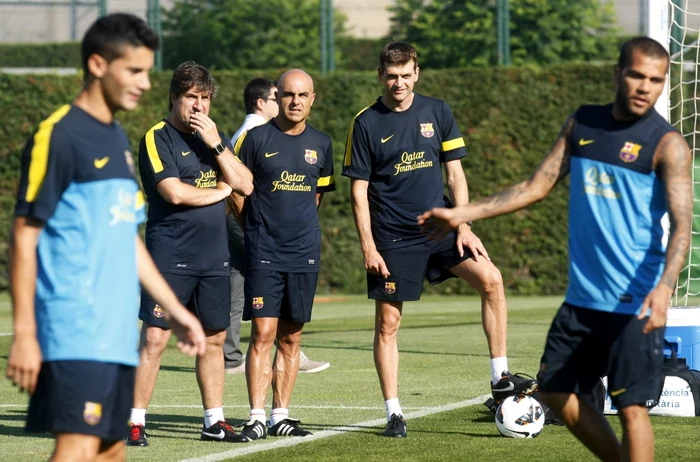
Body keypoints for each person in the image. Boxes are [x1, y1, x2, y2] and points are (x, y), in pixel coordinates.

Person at [418, 36, 690, 461]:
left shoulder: (668, 144)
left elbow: (681, 226)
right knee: (556, 389)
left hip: (636, 299)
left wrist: (665, 287)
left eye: (656, 80)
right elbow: (534, 186)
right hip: (583, 299)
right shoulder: (582, 124)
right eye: (637, 75)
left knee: (632, 408)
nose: (644, 87)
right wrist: (461, 213)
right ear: (618, 73)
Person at [5, 13, 207, 462]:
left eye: (147, 72)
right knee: (76, 450)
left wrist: (175, 311)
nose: (145, 84)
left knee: (111, 451)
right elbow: (23, 237)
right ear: (98, 65)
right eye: (133, 71)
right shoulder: (58, 135)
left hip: (115, 334)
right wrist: (24, 334)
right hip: (75, 329)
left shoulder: (116, 137)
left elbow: (126, 237)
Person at [341, 41, 536, 438]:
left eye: (406, 75)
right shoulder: (365, 123)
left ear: (417, 73)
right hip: (393, 239)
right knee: (388, 324)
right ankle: (394, 413)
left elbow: (456, 175)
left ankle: (500, 379)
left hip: (442, 231)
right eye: (392, 76)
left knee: (492, 280)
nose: (399, 83)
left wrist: (463, 225)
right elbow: (358, 192)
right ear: (380, 76)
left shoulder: (438, 111)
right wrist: (368, 246)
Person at [126, 62, 254, 446]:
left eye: (204, 99)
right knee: (154, 338)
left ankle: (213, 421)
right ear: (174, 98)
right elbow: (175, 193)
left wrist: (217, 145)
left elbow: (244, 183)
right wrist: (219, 191)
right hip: (170, 257)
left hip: (215, 257)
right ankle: (134, 421)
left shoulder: (214, 138)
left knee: (214, 340)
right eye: (190, 98)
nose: (198, 107)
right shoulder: (157, 137)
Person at [231, 69, 335, 440]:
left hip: (304, 253)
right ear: (277, 97)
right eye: (288, 95)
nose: (295, 101)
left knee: (292, 338)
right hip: (264, 252)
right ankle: (256, 415)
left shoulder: (321, 144)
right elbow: (235, 190)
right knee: (263, 332)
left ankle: (280, 416)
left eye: (302, 95)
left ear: (312, 99)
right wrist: (256, 228)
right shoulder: (255, 139)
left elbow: (315, 197)